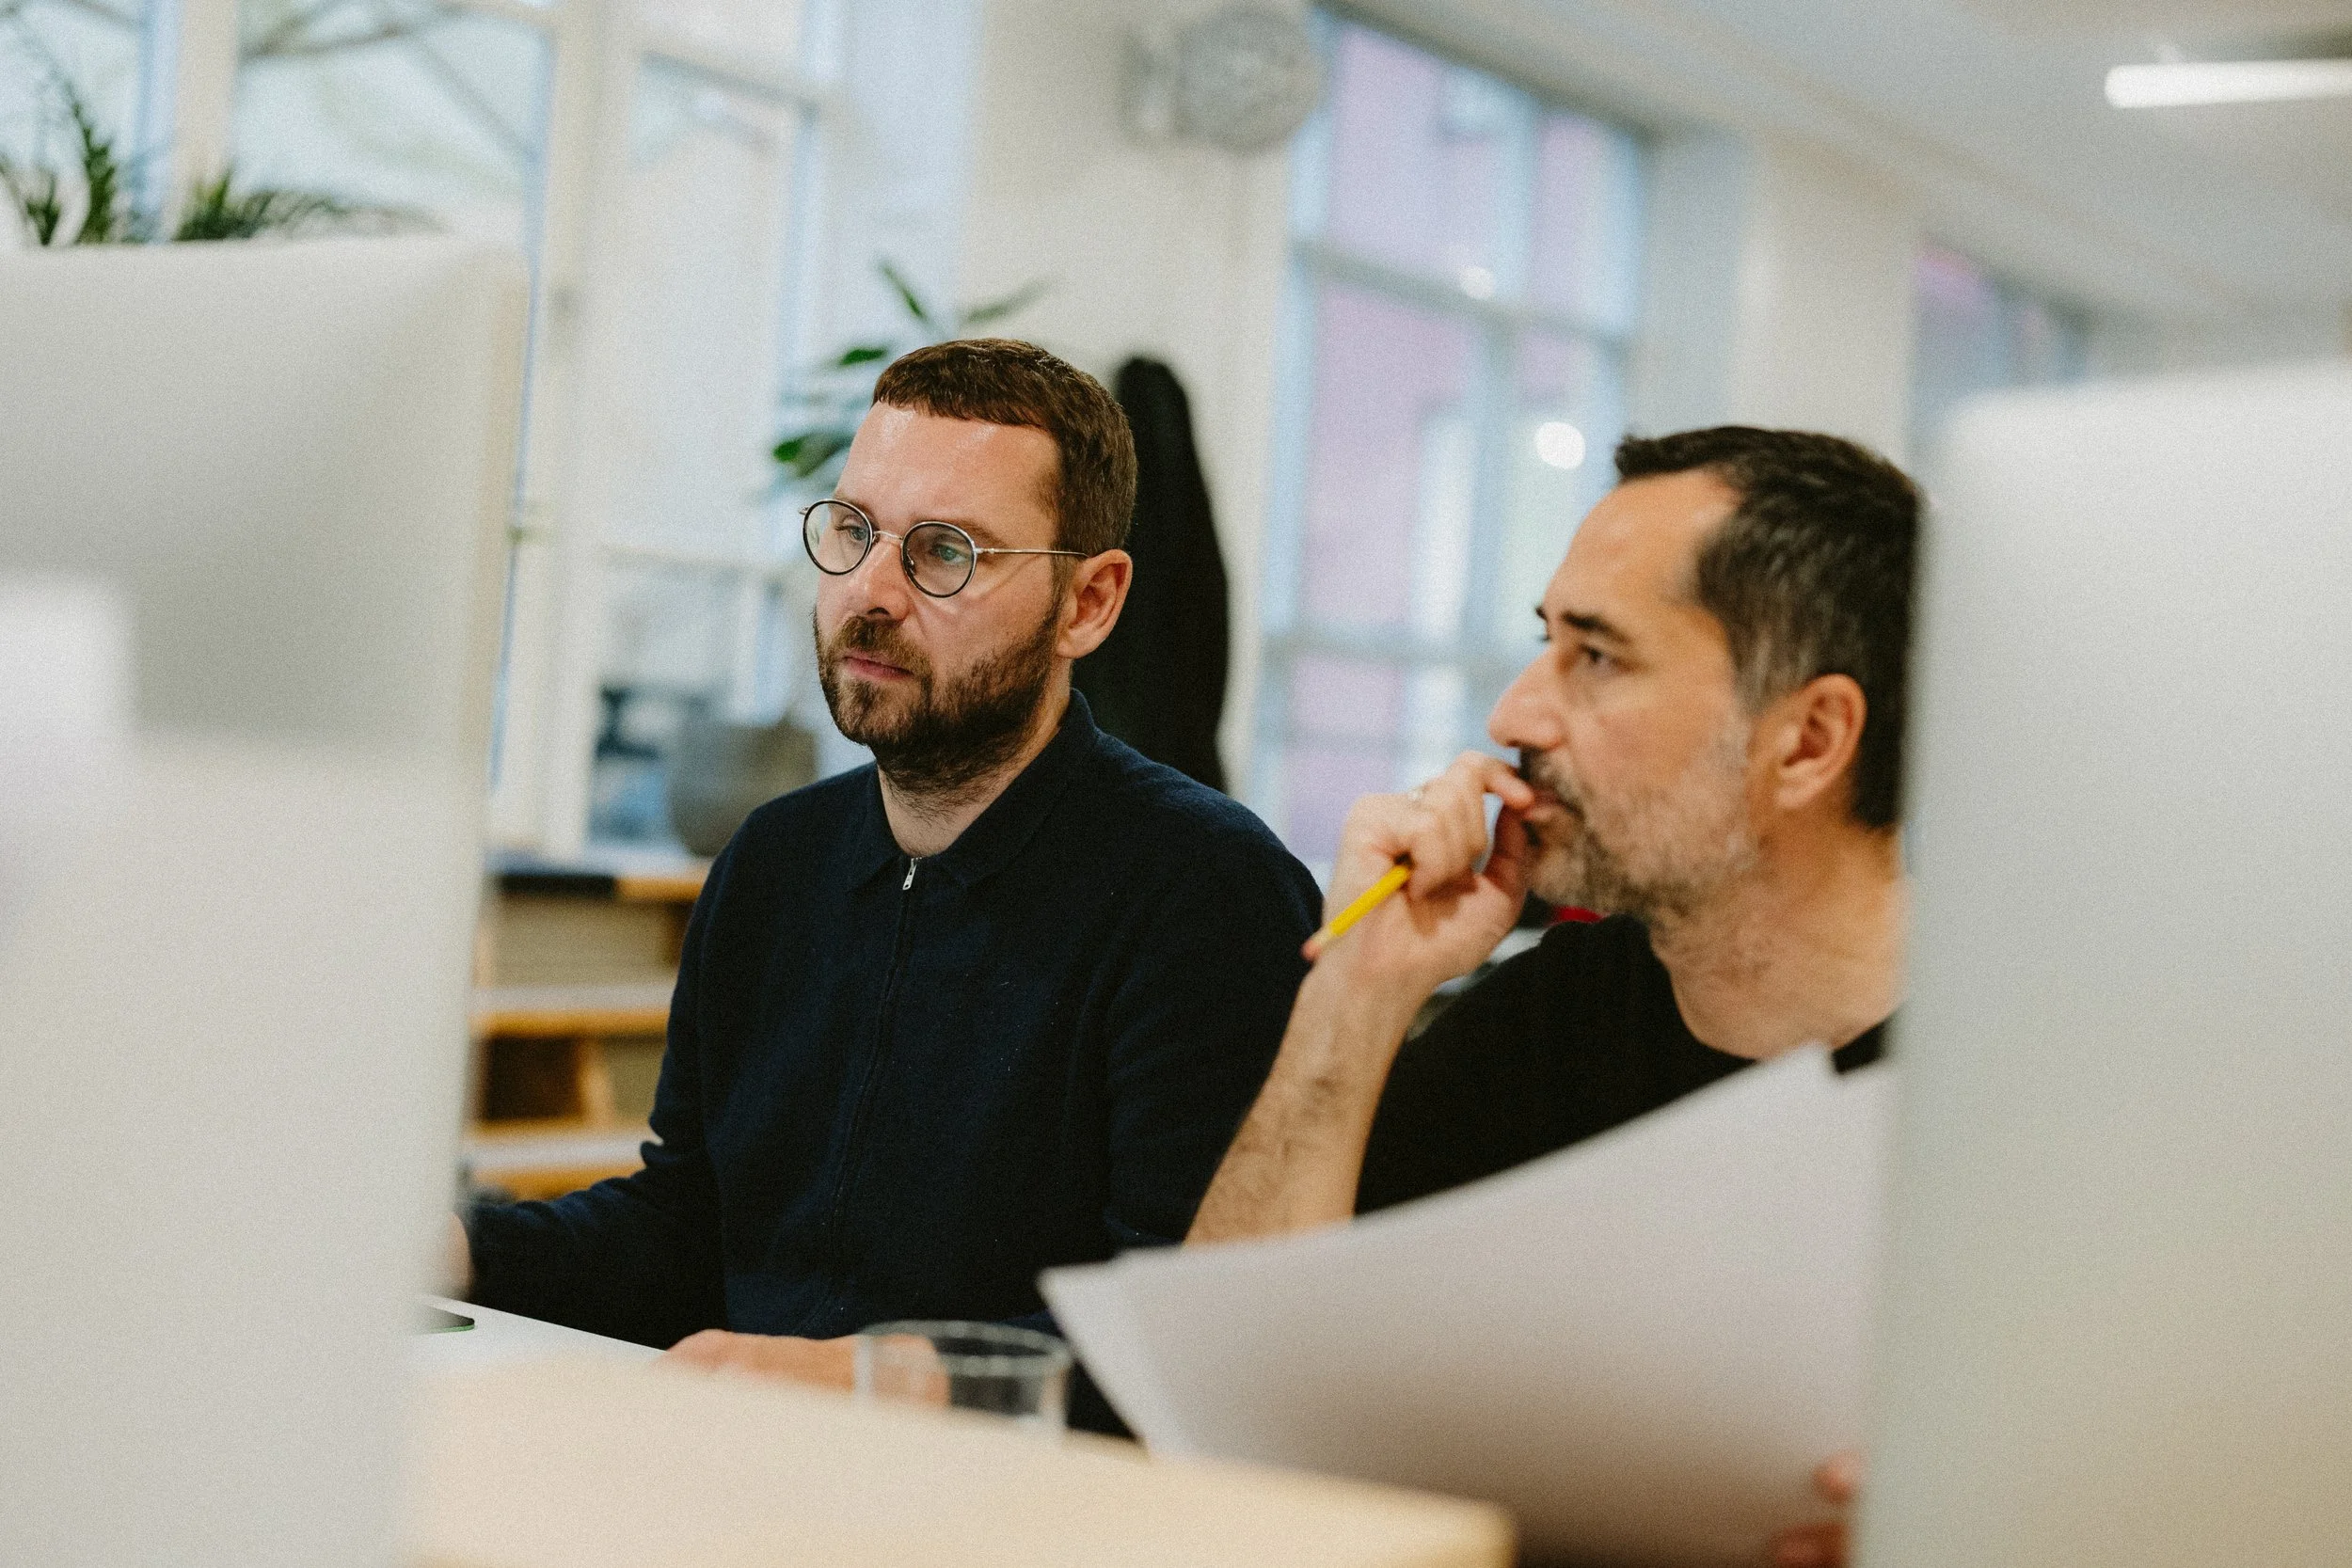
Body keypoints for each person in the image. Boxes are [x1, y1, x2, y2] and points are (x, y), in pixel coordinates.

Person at [453, 340, 1321, 1427]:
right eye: (854, 531)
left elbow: (1190, 1331)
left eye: (946, 551)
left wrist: (863, 1376)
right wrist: (452, 1245)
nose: (870, 591)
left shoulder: (1206, 893)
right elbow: (687, 1232)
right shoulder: (775, 864)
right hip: (757, 1473)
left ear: (1088, 604)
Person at [1187, 426, 1916, 1566]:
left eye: (1597, 656)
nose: (1515, 716)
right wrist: (1358, 996)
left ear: (1808, 740)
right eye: (1544, 642)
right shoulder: (1546, 1023)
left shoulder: (2040, 1103)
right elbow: (1218, 1410)